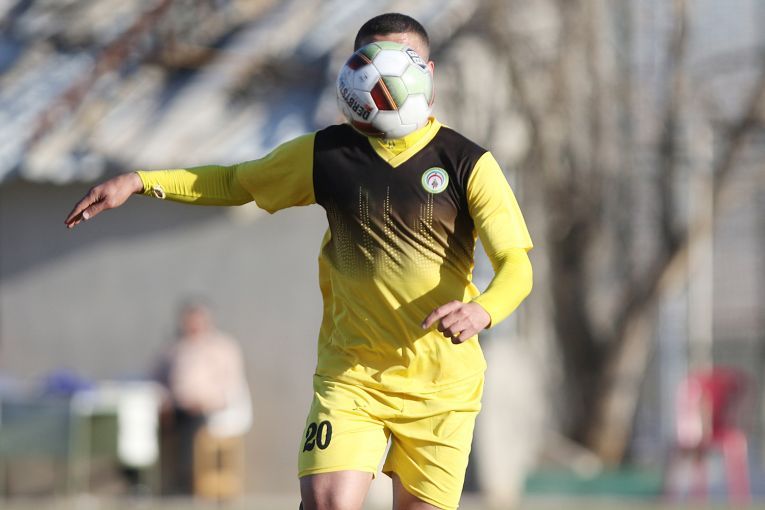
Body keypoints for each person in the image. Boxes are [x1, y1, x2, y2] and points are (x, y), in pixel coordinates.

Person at [65, 13, 533, 510]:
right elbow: (235, 182)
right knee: (327, 500)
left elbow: (516, 265)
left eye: (401, 61)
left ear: (427, 73)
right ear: (355, 72)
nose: (386, 78)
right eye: (373, 63)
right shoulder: (327, 155)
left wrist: (483, 310)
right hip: (352, 376)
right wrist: (141, 181)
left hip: (442, 387)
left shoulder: (467, 163)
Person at [155, 300, 251, 495]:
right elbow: (158, 379)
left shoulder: (222, 348)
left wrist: (205, 402)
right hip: (176, 407)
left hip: (208, 409)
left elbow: (231, 385)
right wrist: (165, 399)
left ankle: (187, 483)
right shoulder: (175, 349)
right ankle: (142, 481)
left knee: (191, 425)